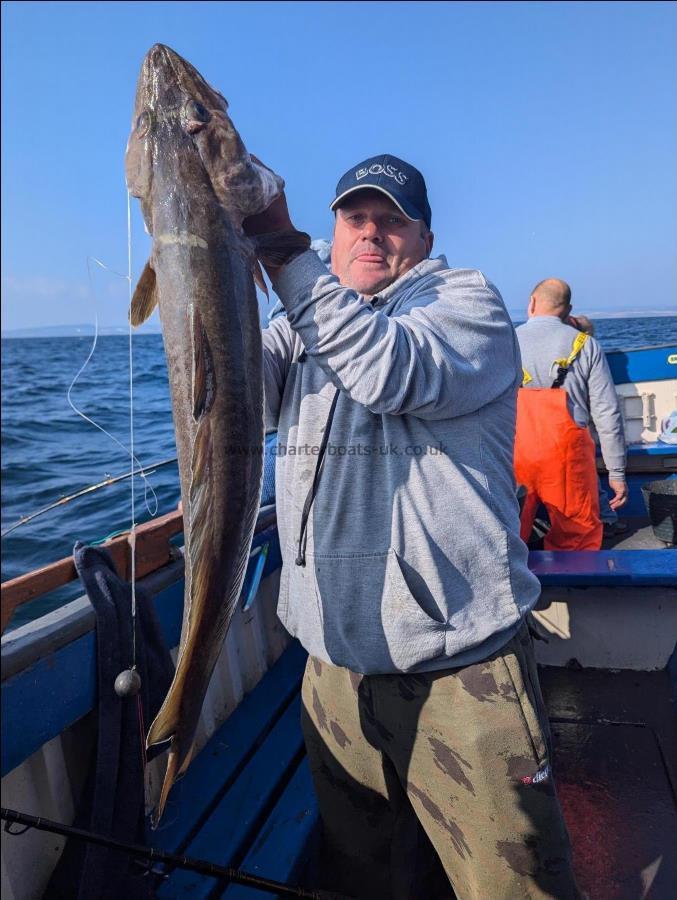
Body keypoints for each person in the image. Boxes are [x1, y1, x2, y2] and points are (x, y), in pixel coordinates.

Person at [243, 155, 580, 899]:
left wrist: (280, 251)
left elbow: (386, 369)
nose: (371, 233)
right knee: (366, 874)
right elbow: (234, 396)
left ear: (424, 236)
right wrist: (207, 252)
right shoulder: (298, 325)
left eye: (392, 219)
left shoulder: (466, 305)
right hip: (331, 669)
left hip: (459, 670)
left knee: (511, 885)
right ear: (330, 233)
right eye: (354, 218)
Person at [515, 280, 627, 550]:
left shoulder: (506, 341)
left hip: (515, 451)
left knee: (509, 533)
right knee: (577, 538)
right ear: (568, 310)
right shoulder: (585, 345)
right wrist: (617, 471)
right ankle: (572, 589)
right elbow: (607, 413)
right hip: (567, 456)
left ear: (531, 303)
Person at [566, 313, 629, 538]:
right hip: (577, 431)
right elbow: (605, 411)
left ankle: (605, 518)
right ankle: (607, 519)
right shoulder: (588, 351)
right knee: (588, 474)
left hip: (556, 431)